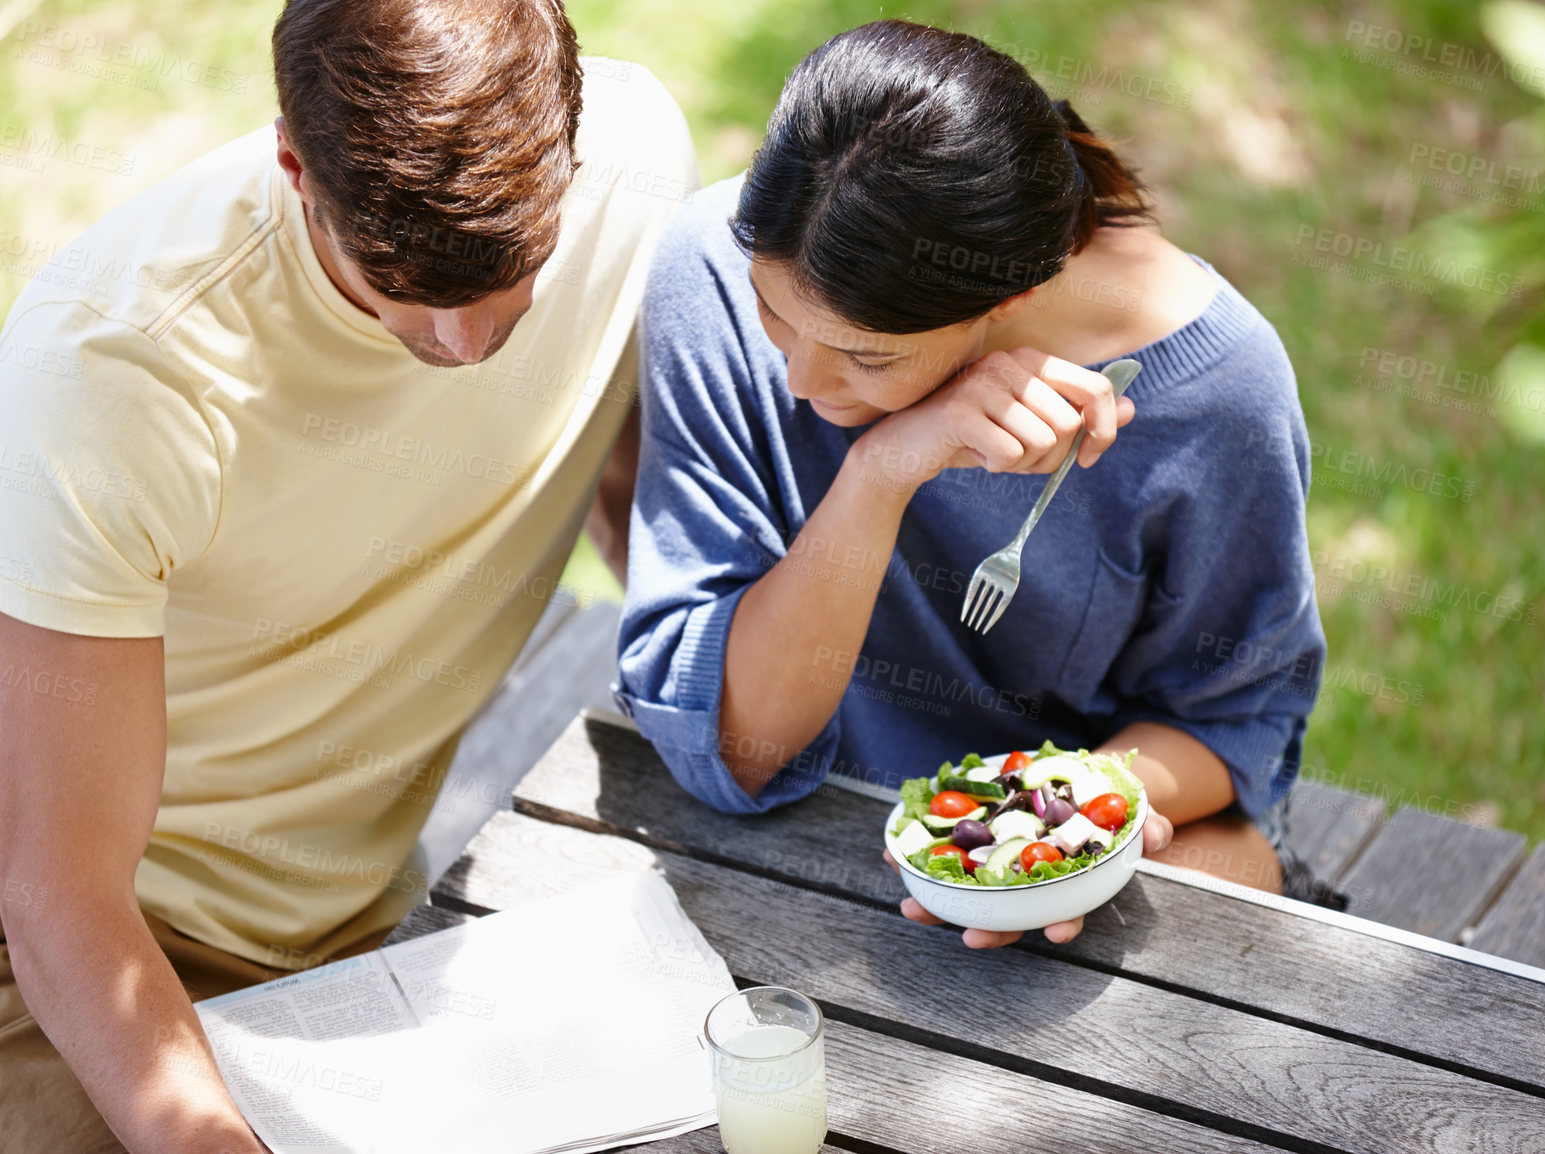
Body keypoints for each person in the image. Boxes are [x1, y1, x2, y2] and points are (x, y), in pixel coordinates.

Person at [0, 0, 696, 1149]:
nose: (466, 341)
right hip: (89, 960)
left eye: (512, 273)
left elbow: (640, 513)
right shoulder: (115, 369)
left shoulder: (637, 170)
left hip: (361, 938)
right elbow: (60, 893)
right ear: (292, 161)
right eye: (403, 281)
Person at [617, 20, 1330, 949]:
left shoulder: (1220, 394)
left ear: (1010, 302)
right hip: (810, 823)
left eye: (865, 358)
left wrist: (1056, 824)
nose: (798, 380)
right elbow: (728, 750)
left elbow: (1237, 720)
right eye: (774, 316)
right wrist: (880, 474)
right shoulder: (710, 273)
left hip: (1104, 829)